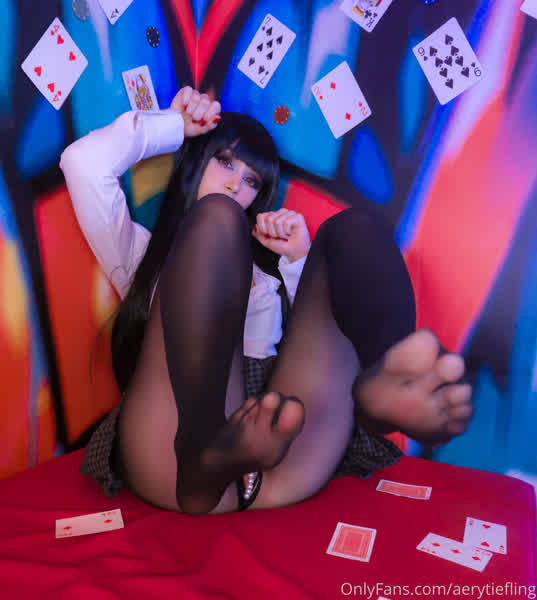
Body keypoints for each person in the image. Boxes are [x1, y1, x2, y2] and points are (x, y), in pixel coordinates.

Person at [60, 87, 473, 516]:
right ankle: (203, 453)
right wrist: (173, 126)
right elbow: (82, 164)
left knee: (353, 230)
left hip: (277, 454)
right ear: (197, 160)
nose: (236, 184)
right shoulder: (141, 254)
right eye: (225, 162)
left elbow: (313, 348)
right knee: (216, 219)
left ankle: (385, 383)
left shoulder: (271, 269)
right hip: (170, 457)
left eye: (252, 181)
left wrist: (297, 262)